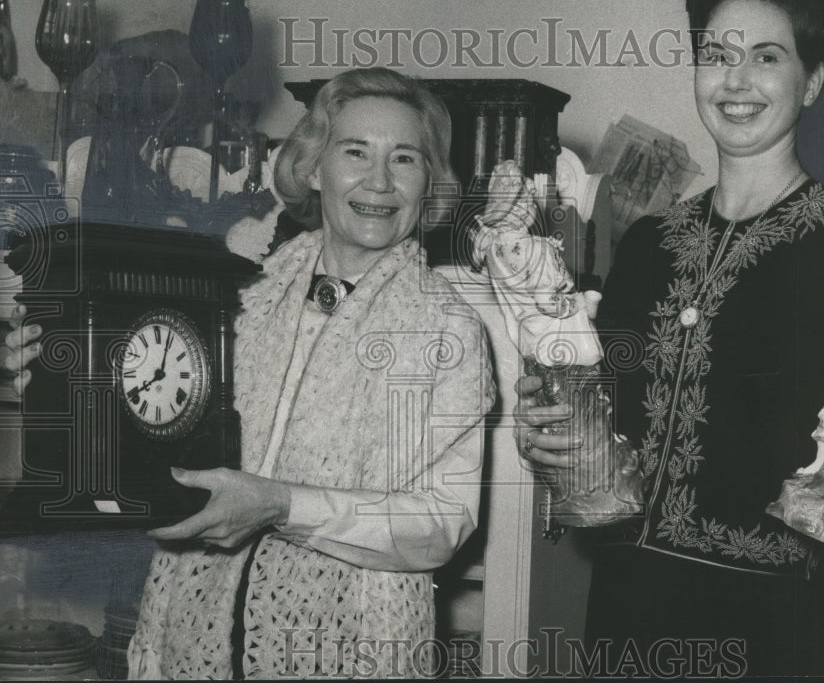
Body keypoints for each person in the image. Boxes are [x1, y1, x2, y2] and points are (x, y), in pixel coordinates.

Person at [515, 0, 824, 677]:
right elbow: (601, 458)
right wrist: (548, 439)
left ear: (811, 80)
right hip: (628, 622)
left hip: (781, 639)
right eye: (717, 55)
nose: (736, 80)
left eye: (767, 57)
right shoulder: (648, 246)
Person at [3, 67, 494, 679]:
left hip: (354, 652)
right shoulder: (239, 295)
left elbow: (441, 525)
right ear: (314, 169)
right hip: (193, 631)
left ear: (429, 183)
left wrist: (280, 505)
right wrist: (56, 382)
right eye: (355, 152)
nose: (379, 181)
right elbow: (152, 419)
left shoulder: (447, 331)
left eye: (404, 158)